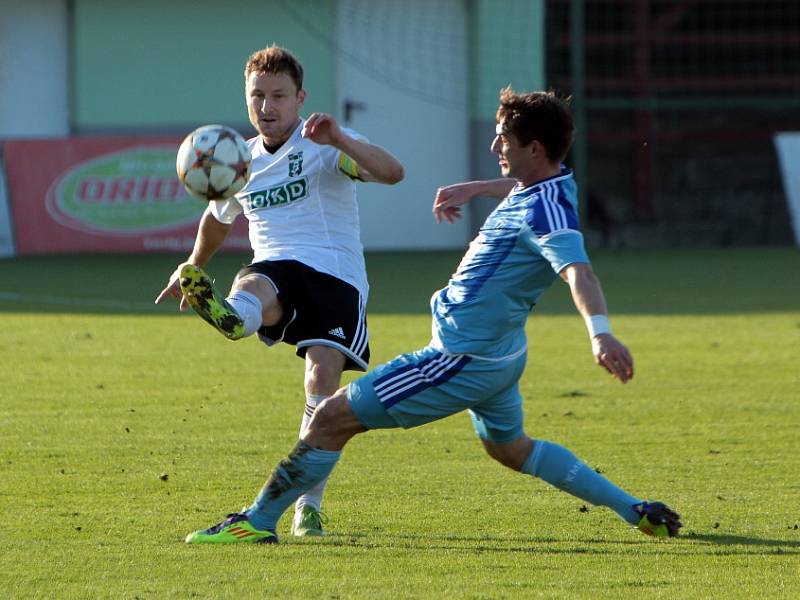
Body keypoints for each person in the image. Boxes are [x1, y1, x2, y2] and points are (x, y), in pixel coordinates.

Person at [182, 88, 682, 545]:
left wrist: (601, 335)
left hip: (460, 358)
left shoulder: (546, 214)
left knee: (331, 416)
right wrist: (478, 189)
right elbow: (528, 193)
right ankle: (634, 509)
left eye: (504, 138)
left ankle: (257, 521)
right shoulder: (550, 186)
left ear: (534, 148)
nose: (494, 146)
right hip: (502, 357)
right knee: (514, 450)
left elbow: (579, 273)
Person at [155, 44, 404, 537]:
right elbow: (217, 218)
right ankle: (233, 316)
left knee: (321, 388)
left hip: (335, 276)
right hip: (278, 268)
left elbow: (392, 173)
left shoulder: (325, 142)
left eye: (278, 96)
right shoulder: (239, 160)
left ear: (300, 98)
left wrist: (341, 141)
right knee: (255, 280)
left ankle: (306, 505)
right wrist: (190, 265)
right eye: (257, 96)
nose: (266, 107)